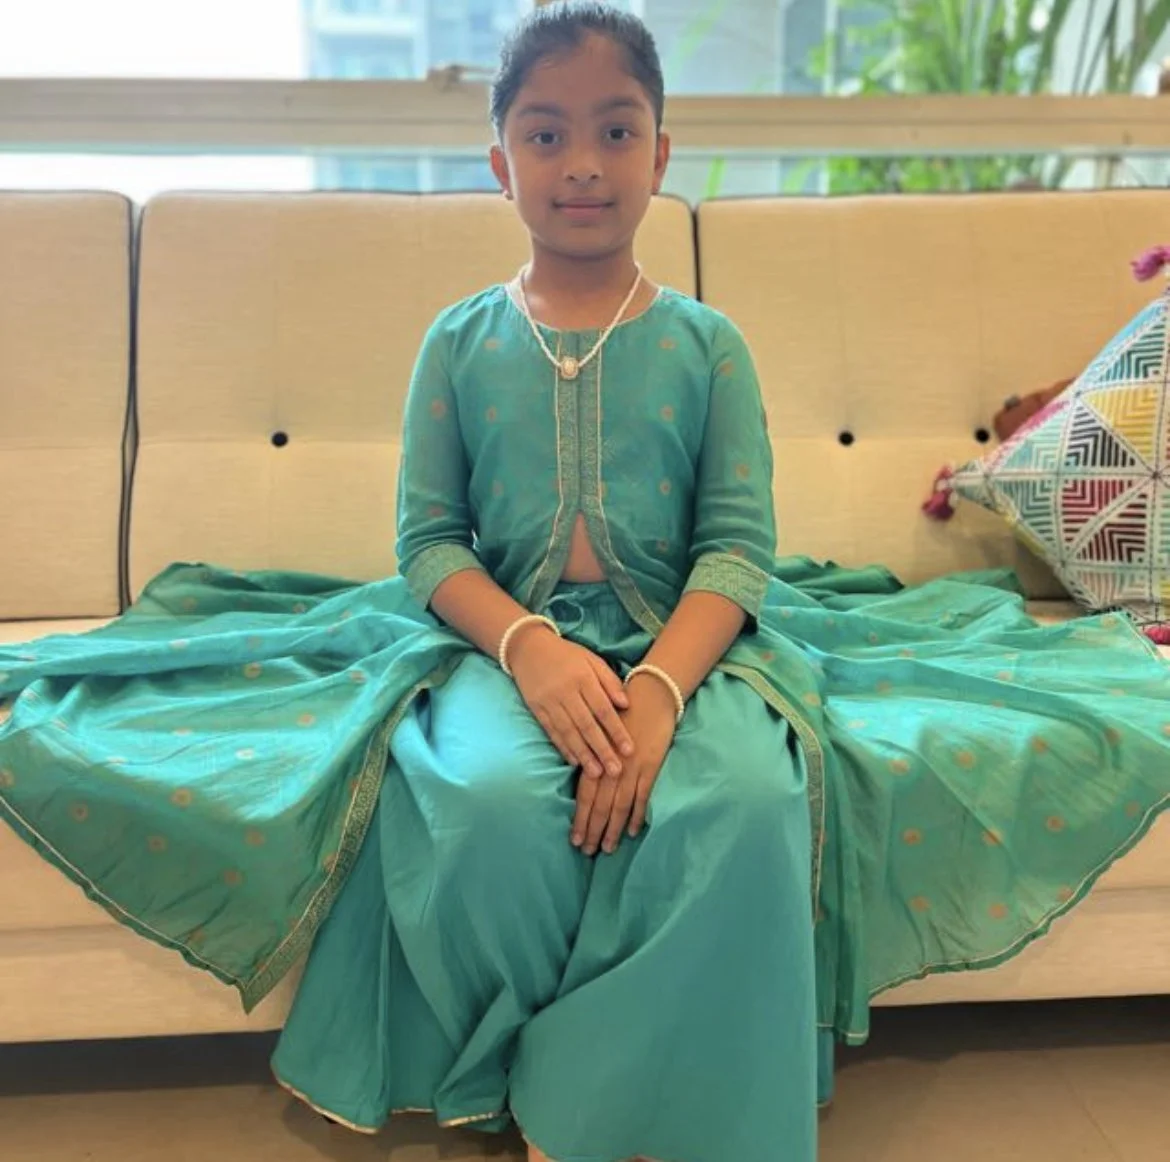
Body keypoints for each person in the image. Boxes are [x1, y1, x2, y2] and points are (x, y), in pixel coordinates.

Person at [3, 6, 1170, 1162]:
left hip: (696, 640)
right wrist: (532, 651)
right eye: (548, 134)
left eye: (617, 132)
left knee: (748, 807)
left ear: (661, 153)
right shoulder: (456, 343)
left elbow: (735, 551)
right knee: (485, 805)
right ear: (499, 159)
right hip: (495, 643)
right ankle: (538, 1072)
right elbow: (427, 545)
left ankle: (606, 1096)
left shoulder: (710, 345)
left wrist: (660, 691)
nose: (582, 165)